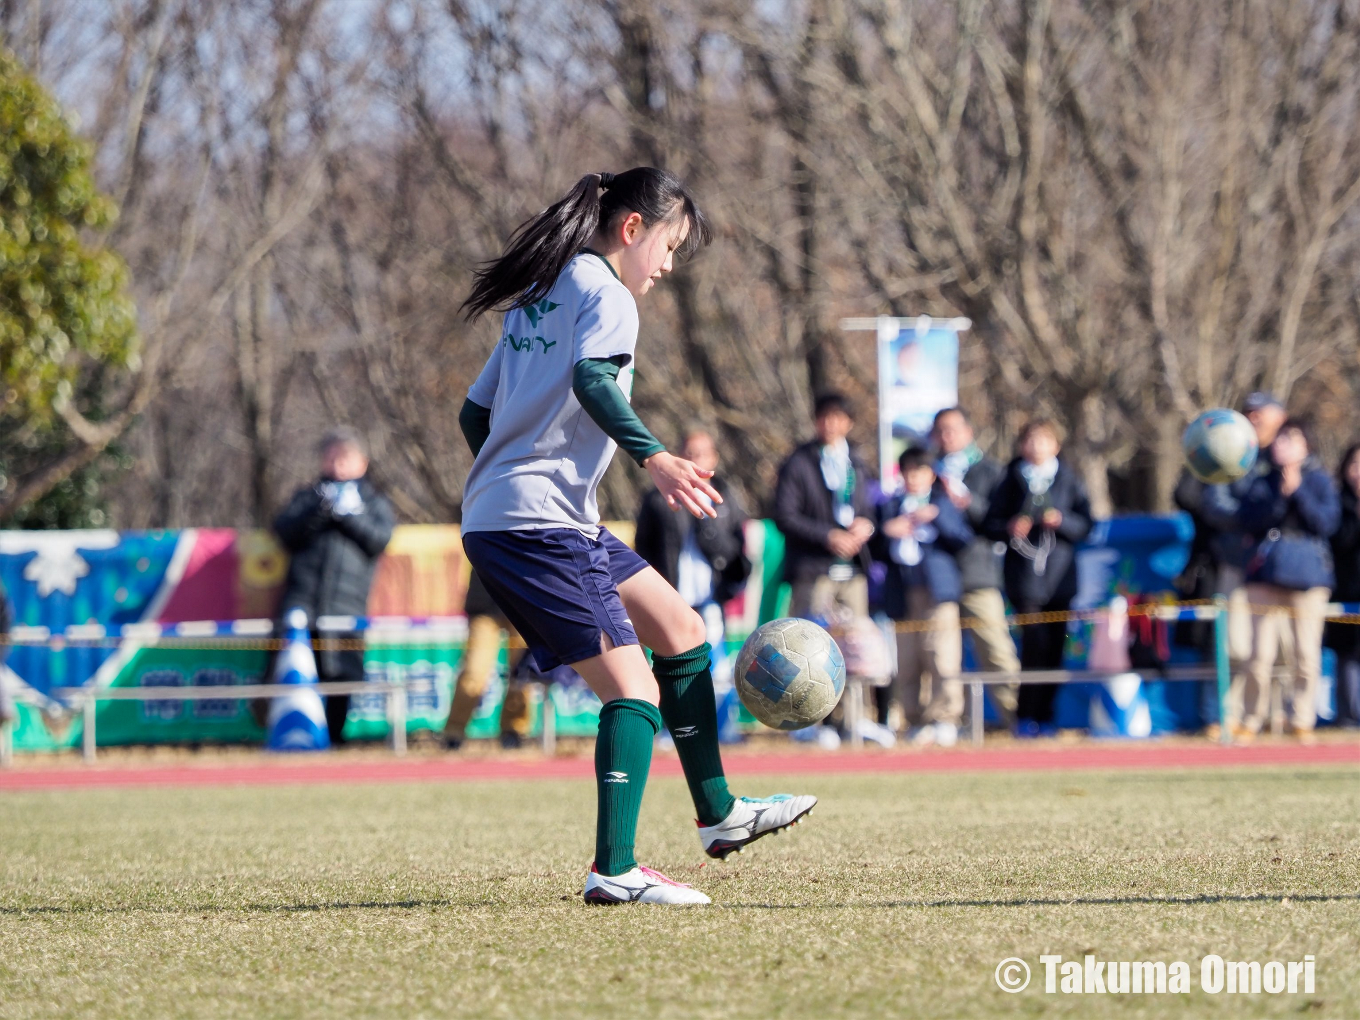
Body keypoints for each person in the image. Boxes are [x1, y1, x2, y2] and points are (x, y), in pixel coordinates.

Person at [456, 167, 815, 906]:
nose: (669, 264)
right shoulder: (607, 294)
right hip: (542, 523)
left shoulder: (539, 293)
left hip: (520, 515)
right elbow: (593, 380)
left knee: (680, 629)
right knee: (635, 688)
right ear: (632, 229)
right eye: (671, 245)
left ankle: (718, 815)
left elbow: (474, 414)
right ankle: (614, 869)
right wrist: (655, 457)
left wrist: (509, 475)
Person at [273, 428, 396, 746]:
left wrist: (348, 516)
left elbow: (379, 540)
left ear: (362, 462)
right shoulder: (308, 496)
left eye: (345, 457)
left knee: (343, 673)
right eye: (331, 457)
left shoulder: (373, 501)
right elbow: (284, 533)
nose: (337, 465)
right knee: (298, 669)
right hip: (303, 602)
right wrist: (320, 511)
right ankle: (295, 740)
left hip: (348, 604)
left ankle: (336, 738)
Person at [1176, 392, 1289, 735]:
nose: (1255, 418)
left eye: (1262, 412)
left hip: (1277, 569)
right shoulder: (1218, 451)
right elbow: (1195, 500)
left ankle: (1274, 716)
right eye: (1249, 412)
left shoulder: (1284, 457)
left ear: (1279, 417)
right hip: (1230, 564)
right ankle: (1220, 716)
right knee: (1230, 644)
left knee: (1277, 647)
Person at [983, 419, 1093, 732]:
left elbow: (1087, 524)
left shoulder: (1069, 478)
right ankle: (1025, 717)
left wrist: (1062, 521)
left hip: (1061, 577)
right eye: (1030, 440)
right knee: (1034, 644)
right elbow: (989, 524)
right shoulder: (1009, 478)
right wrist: (1010, 527)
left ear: (1056, 445)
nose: (1036, 446)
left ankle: (1047, 717)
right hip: (1024, 578)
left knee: (1056, 647)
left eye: (1044, 440)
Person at [1237, 418, 1340, 743]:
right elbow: (1248, 520)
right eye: (1280, 440)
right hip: (1266, 576)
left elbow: (1326, 523)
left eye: (1291, 440)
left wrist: (1298, 493)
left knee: (1306, 655)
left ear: (1305, 446)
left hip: (1308, 579)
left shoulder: (1320, 480)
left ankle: (1302, 720)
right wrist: (1279, 496)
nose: (1283, 446)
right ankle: (1252, 719)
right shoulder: (1262, 480)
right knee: (1258, 655)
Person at [871, 447, 973, 747]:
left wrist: (937, 517)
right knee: (907, 659)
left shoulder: (943, 503)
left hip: (937, 592)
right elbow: (874, 550)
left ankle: (945, 717)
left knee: (942, 656)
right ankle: (912, 718)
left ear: (931, 475)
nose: (914, 478)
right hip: (902, 592)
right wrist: (886, 531)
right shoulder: (890, 506)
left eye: (920, 471)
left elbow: (963, 539)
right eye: (909, 472)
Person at [930, 407, 1020, 727]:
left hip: (979, 575)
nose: (947, 436)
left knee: (997, 652)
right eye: (940, 430)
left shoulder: (990, 471)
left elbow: (999, 523)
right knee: (942, 658)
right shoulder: (928, 473)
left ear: (969, 431)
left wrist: (968, 502)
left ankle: (1017, 719)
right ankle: (946, 724)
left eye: (953, 428)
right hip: (937, 578)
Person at [634, 427, 750, 657]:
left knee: (715, 666)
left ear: (713, 457)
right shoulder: (659, 498)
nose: (696, 460)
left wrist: (709, 532)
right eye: (690, 453)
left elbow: (737, 547)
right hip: (673, 596)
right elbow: (644, 547)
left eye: (702, 454)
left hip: (713, 597)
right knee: (675, 660)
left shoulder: (726, 496)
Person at [773, 392, 876, 623]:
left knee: (855, 646)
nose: (830, 424)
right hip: (813, 571)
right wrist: (828, 536)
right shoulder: (798, 463)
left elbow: (868, 509)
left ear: (849, 422)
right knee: (810, 642)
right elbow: (784, 516)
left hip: (853, 570)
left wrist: (866, 526)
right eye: (824, 417)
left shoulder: (856, 462)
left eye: (837, 417)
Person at [442, 570, 532, 750]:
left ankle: (513, 731)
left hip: (523, 601)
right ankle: (454, 733)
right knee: (473, 672)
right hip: (485, 603)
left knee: (522, 673)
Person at [1326, 442, 1360, 728]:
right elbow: (1339, 541)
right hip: (1347, 590)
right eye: (1355, 464)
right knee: (1347, 655)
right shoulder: (1338, 503)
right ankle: (1347, 716)